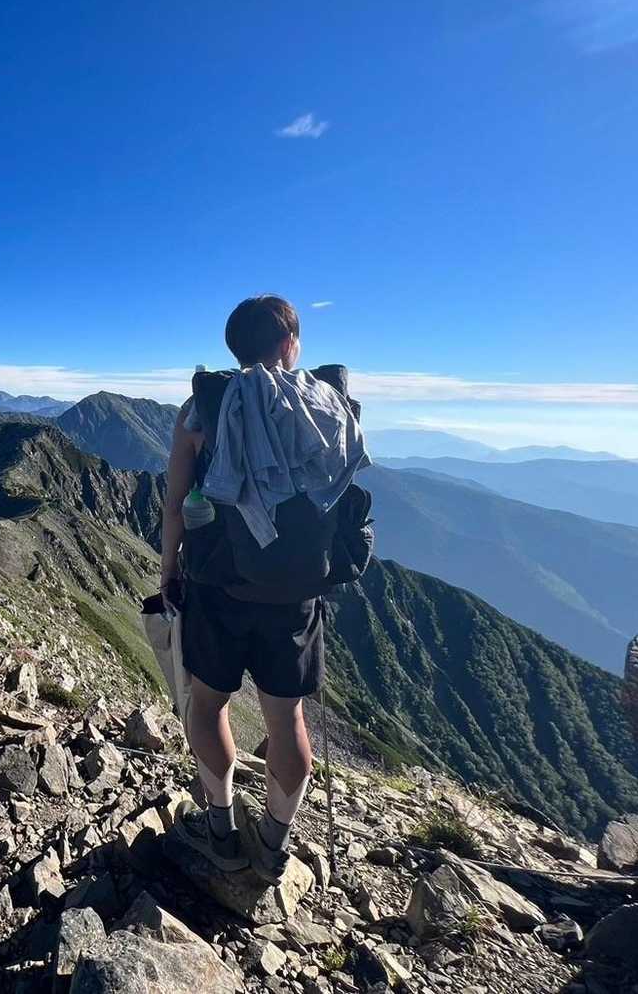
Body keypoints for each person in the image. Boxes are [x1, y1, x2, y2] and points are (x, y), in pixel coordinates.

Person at [161, 294, 372, 884]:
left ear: (234, 347)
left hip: (217, 588)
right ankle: (275, 846)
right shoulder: (329, 408)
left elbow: (175, 504)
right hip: (295, 597)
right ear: (288, 344)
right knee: (288, 722)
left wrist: (168, 569)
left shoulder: (201, 411)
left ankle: (221, 831)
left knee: (208, 705)